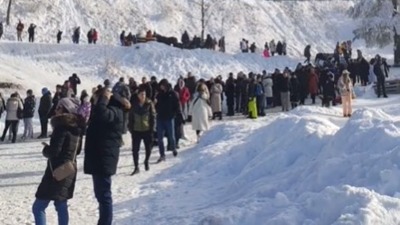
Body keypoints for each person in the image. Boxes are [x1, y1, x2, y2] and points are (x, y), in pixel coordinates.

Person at [32, 97, 85, 225]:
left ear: (65, 109)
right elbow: (77, 151)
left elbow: (54, 151)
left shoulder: (61, 127)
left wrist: (46, 150)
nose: (56, 110)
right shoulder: (77, 128)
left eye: (59, 107)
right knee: (61, 204)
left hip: (56, 171)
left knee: (38, 207)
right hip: (69, 169)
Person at [84, 88, 130, 225]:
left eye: (98, 99)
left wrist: (104, 98)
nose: (96, 102)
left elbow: (101, 113)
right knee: (101, 195)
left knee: (104, 195)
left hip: (104, 158)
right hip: (100, 157)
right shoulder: (111, 110)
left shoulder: (114, 111)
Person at [127, 88, 156, 175]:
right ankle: (136, 167)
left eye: (144, 94)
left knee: (148, 148)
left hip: (147, 130)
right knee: (135, 150)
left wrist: (152, 128)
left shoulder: (149, 104)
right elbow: (130, 117)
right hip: (136, 131)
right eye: (141, 94)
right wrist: (131, 128)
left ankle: (146, 161)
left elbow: (153, 116)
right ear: (138, 95)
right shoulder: (134, 105)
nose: (143, 96)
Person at [155, 79, 180, 162]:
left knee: (171, 135)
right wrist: (157, 109)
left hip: (169, 118)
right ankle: (162, 155)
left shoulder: (172, 94)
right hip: (160, 118)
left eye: (162, 85)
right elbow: (156, 104)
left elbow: (177, 105)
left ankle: (173, 148)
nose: (161, 87)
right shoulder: (159, 94)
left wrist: (174, 114)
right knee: (160, 138)